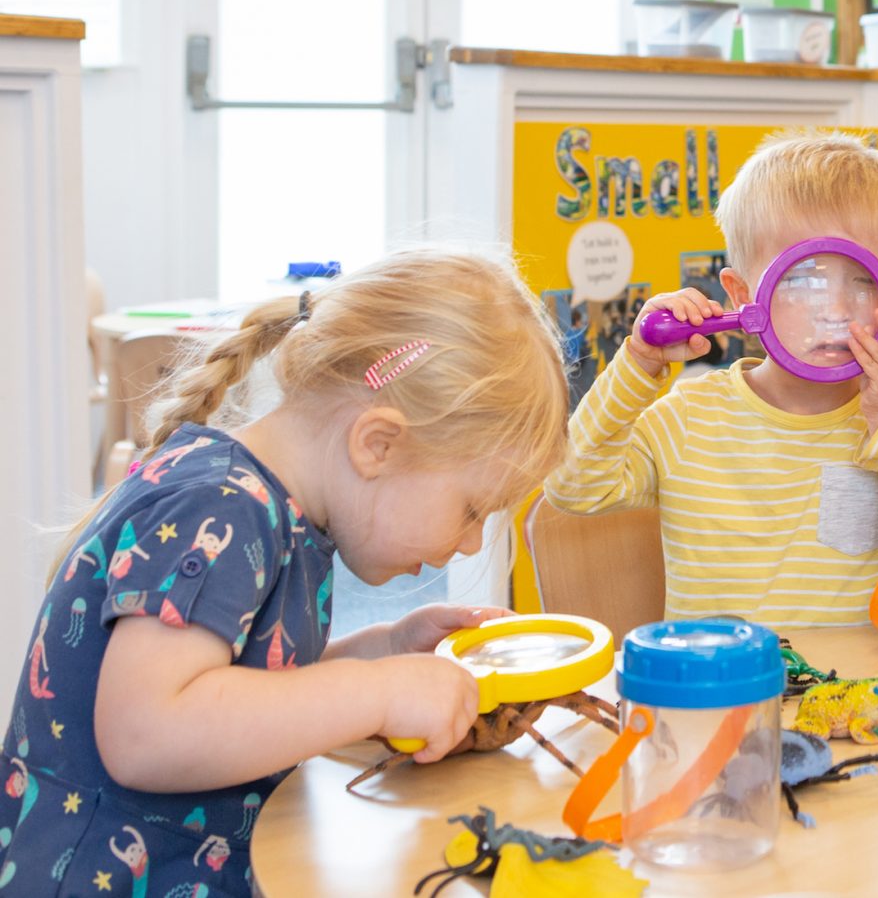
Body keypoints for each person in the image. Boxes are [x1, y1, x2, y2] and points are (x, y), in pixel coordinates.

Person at [2, 249, 569, 896]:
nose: (470, 546)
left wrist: (381, 649)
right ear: (377, 443)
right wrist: (377, 692)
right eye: (473, 510)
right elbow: (146, 730)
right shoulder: (222, 507)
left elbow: (242, 691)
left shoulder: (277, 515)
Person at [547, 130, 878, 628]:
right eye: (801, 281)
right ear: (741, 297)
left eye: (864, 283)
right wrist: (638, 364)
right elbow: (572, 487)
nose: (837, 312)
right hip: (720, 689)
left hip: (857, 696)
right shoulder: (690, 417)